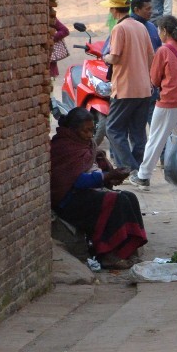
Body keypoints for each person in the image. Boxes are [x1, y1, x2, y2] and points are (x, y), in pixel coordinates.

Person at [50, 107, 146, 268]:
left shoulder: (87, 144)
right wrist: (105, 177)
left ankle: (128, 250)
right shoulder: (63, 147)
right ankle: (108, 254)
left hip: (87, 193)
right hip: (69, 200)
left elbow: (93, 168)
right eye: (85, 131)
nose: (89, 135)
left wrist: (110, 176)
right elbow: (76, 181)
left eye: (91, 131)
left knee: (129, 197)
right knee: (114, 200)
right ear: (73, 130)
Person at [135, 15, 177, 189]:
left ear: (164, 31)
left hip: (168, 101)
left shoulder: (163, 51)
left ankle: (143, 176)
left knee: (156, 138)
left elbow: (155, 79)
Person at [103, 0, 155, 170]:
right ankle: (138, 168)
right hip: (144, 88)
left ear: (114, 10)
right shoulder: (141, 27)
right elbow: (151, 56)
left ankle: (131, 168)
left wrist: (105, 57)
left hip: (125, 87)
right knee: (138, 132)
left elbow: (115, 57)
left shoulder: (119, 28)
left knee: (113, 129)